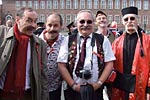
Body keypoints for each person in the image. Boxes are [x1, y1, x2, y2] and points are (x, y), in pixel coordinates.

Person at [57, 10, 116, 100]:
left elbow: (109, 63)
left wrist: (99, 83)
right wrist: (73, 85)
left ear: (93, 24)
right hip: (73, 90)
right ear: (77, 23)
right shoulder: (68, 40)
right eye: (82, 21)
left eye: (89, 21)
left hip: (95, 90)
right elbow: (61, 65)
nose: (85, 24)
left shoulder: (103, 40)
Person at [0, 7, 49, 100]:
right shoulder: (2, 34)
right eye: (29, 21)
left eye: (35, 21)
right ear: (18, 20)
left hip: (27, 95)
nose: (34, 25)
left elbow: (43, 76)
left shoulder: (40, 44)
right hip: (3, 93)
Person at [111, 6, 150, 100]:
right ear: (123, 22)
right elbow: (111, 65)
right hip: (121, 86)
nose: (129, 21)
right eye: (126, 19)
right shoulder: (116, 42)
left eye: (132, 18)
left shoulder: (147, 41)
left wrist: (149, 89)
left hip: (140, 86)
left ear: (137, 20)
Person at [39, 13, 64, 100]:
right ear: (45, 25)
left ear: (61, 26)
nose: (52, 29)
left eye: (56, 25)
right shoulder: (36, 41)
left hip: (55, 87)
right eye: (49, 25)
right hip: (38, 87)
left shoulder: (65, 42)